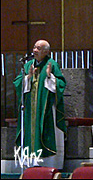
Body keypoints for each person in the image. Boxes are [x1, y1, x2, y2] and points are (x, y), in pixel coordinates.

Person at [14, 40, 66, 169]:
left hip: (45, 108)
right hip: (30, 109)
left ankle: (48, 165)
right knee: (29, 133)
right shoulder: (27, 65)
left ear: (46, 51)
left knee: (45, 130)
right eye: (34, 47)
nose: (35, 50)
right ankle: (29, 164)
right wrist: (28, 77)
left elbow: (61, 84)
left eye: (38, 48)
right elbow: (18, 83)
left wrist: (50, 77)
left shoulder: (52, 64)